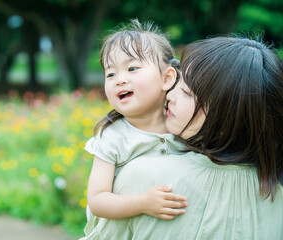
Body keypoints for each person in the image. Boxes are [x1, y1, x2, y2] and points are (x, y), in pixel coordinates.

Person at [84, 36, 283, 239]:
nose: (170, 95)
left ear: (225, 118)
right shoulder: (274, 190)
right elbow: (97, 199)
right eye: (110, 73)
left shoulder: (143, 178)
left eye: (186, 92)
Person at [83, 19, 188, 237]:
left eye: (132, 68)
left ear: (167, 78)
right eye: (111, 74)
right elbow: (97, 201)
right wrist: (142, 203)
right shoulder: (112, 137)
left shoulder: (182, 127)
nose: (119, 80)